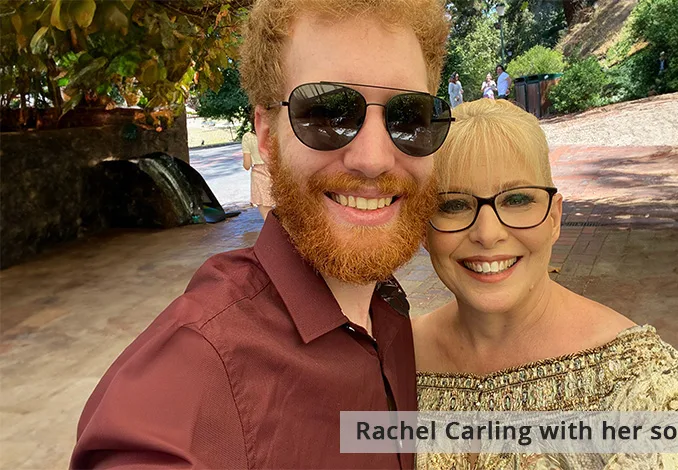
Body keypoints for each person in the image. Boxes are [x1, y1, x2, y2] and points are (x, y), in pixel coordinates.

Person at [70, 1, 451, 469]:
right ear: (267, 135)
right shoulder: (197, 371)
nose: (373, 158)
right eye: (328, 113)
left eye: (409, 116)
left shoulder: (387, 310)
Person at [413, 99, 678, 469]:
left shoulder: (644, 385)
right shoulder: (392, 358)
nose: (487, 233)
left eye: (516, 200)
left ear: (555, 218)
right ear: (422, 228)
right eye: (453, 205)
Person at [241, 116, 273, 219]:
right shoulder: (274, 135)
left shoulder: (248, 137)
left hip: (258, 176)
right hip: (275, 173)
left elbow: (247, 165)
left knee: (267, 217)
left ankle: (273, 234)